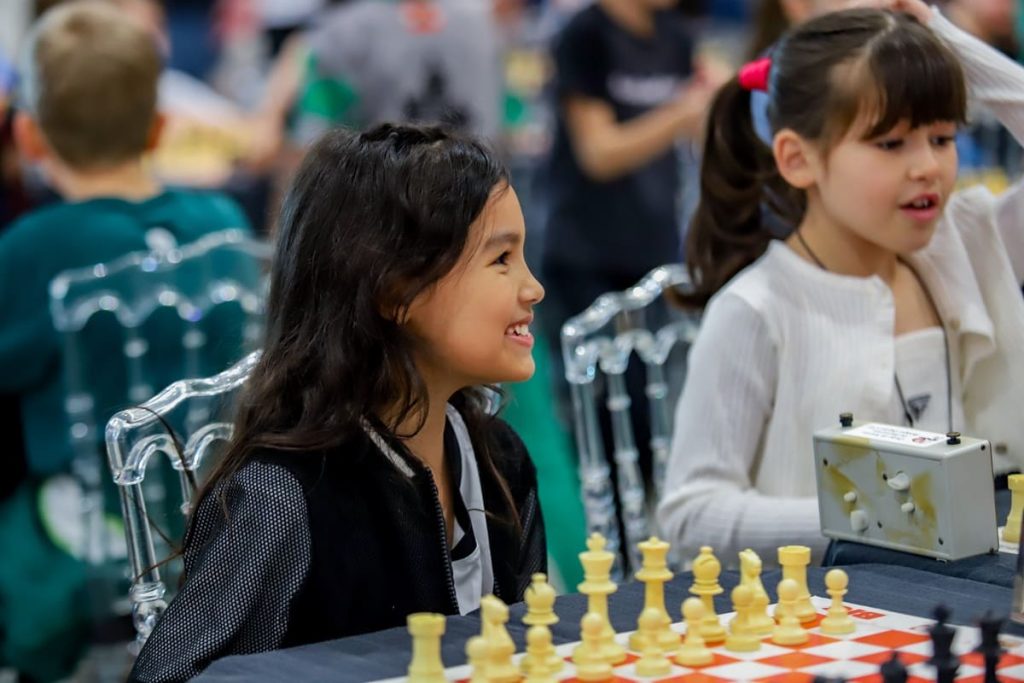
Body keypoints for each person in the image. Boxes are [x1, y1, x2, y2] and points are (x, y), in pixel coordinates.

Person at [129, 123, 548, 682]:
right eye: (502, 260)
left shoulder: (500, 460)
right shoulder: (283, 496)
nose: (533, 287)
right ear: (397, 292)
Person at [656, 0, 1024, 565]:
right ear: (798, 160)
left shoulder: (968, 243)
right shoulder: (757, 309)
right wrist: (884, 513)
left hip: (955, 598)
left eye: (943, 138)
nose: (927, 165)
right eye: (891, 143)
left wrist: (942, 39)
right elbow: (690, 515)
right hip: (820, 626)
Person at [0, 3, 250, 678]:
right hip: (222, 532)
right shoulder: (222, 223)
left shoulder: (32, 248)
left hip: (87, 553)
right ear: (161, 124)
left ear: (27, 137)